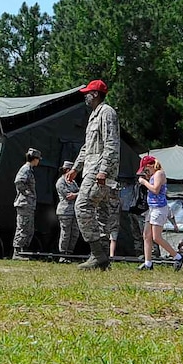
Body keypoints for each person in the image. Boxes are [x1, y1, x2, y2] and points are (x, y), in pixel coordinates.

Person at [73, 80, 122, 270]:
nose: (85, 96)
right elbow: (87, 147)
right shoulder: (94, 115)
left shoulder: (107, 112)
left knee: (82, 205)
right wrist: (76, 168)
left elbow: (111, 143)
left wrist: (103, 170)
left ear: (95, 94)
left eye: (87, 93)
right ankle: (101, 260)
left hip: (100, 170)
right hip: (91, 168)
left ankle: (98, 255)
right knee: (101, 212)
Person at [138, 155, 181, 270]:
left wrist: (144, 182)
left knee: (156, 237)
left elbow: (156, 190)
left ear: (150, 165)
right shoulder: (153, 175)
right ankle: (148, 263)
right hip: (151, 208)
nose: (146, 171)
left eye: (146, 169)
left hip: (159, 209)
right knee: (146, 235)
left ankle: (177, 257)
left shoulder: (159, 174)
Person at [12, 148, 40, 260]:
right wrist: (27, 193)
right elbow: (18, 182)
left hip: (29, 204)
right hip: (24, 203)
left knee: (29, 228)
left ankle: (23, 251)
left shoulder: (30, 169)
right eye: (38, 159)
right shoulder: (25, 169)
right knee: (23, 227)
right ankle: (17, 252)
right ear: (35, 159)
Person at [55, 161, 82, 257]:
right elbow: (69, 196)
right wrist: (78, 194)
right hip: (65, 211)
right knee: (66, 233)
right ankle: (63, 253)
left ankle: (69, 253)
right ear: (67, 170)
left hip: (74, 211)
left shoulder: (73, 182)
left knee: (74, 233)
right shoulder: (61, 182)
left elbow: (77, 192)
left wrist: (77, 194)